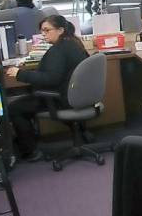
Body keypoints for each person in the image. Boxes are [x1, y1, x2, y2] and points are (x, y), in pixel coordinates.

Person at [6, 15, 89, 162]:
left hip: (59, 98)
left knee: (15, 108)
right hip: (75, 95)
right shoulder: (74, 44)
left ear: (60, 30)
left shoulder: (58, 50)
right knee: (27, 100)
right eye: (42, 31)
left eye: (47, 30)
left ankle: (30, 151)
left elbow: (51, 79)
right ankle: (82, 132)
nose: (43, 34)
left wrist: (20, 74)